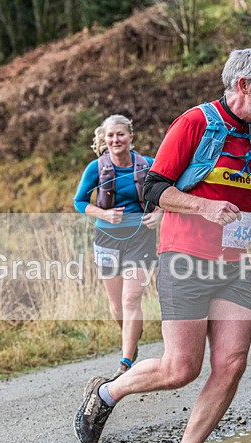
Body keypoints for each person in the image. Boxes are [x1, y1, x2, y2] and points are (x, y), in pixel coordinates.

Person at [75, 48, 251, 443]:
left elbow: (244, 202)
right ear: (243, 85)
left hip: (231, 263)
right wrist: (204, 208)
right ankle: (105, 393)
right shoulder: (196, 122)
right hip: (185, 257)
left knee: (231, 363)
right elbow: (154, 187)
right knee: (181, 368)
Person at [73, 115, 161, 379]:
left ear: (131, 137)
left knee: (131, 298)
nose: (115, 140)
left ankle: (125, 362)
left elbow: (172, 193)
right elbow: (79, 202)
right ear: (104, 138)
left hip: (140, 238)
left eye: (120, 134)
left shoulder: (149, 165)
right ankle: (131, 337)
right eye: (110, 136)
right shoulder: (95, 168)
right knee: (116, 306)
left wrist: (161, 215)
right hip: (107, 240)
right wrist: (103, 213)